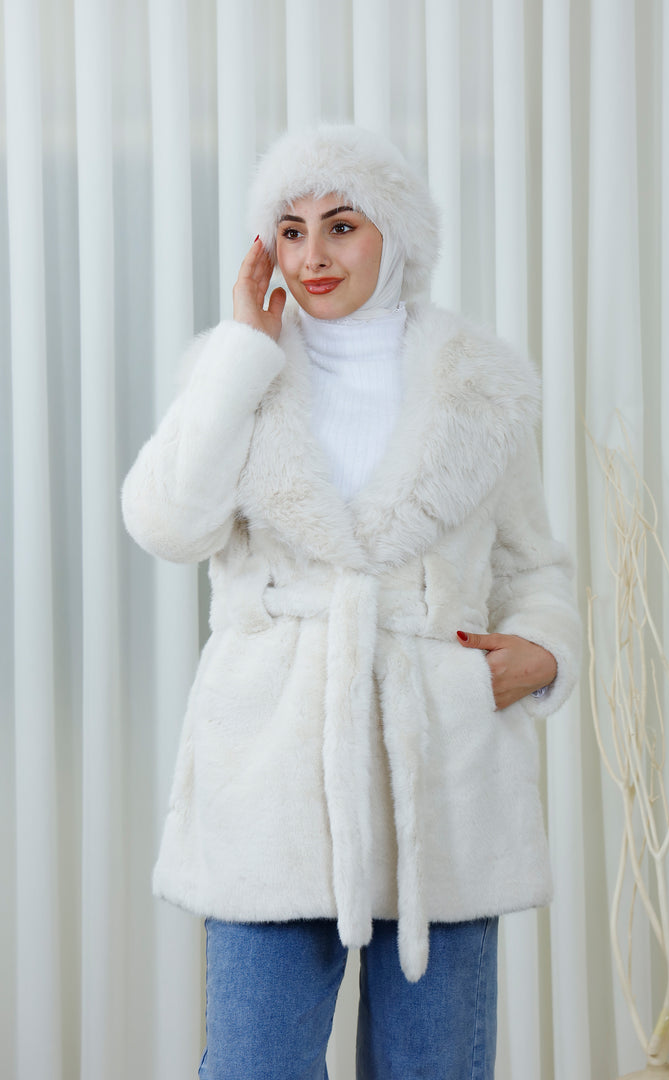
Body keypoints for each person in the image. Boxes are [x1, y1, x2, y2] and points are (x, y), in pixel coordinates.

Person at [121, 124, 581, 1080]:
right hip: (272, 770)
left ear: (395, 233)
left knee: (434, 1068)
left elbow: (533, 567)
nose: (312, 257)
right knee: (253, 1064)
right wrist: (242, 355)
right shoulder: (236, 372)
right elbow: (166, 524)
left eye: (341, 226)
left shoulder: (483, 389)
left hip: (440, 775)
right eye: (289, 232)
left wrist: (543, 650)